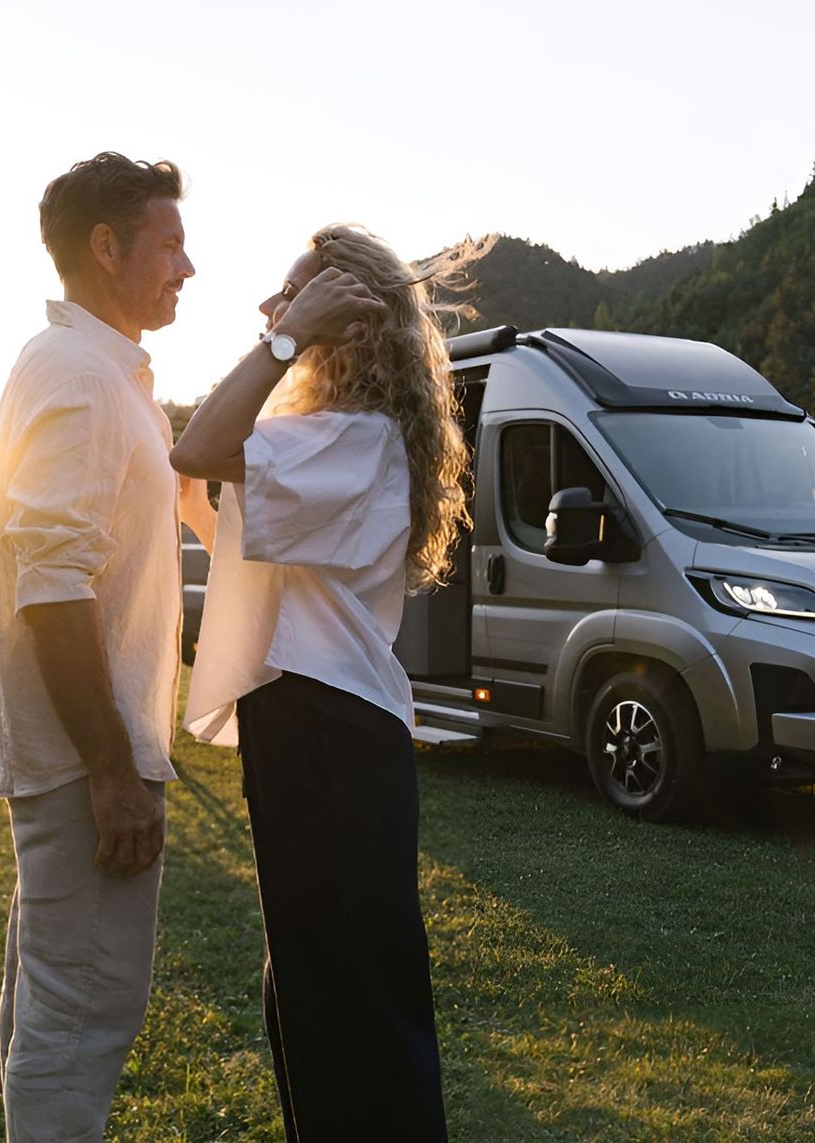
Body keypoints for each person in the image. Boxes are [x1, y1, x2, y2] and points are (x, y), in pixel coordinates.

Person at [170, 225, 479, 1141]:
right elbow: (221, 505)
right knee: (313, 988)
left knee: (349, 1002)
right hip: (312, 723)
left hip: (328, 727)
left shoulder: (358, 440)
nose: (278, 307)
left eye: (300, 294)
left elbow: (200, 449)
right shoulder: (326, 438)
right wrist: (286, 338)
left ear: (346, 317)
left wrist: (281, 339)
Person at [0, 151, 209, 1142]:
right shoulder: (74, 373)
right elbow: (53, 582)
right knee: (80, 1019)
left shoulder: (106, 374)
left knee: (59, 1010)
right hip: (87, 768)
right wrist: (111, 769)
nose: (187, 266)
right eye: (170, 243)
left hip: (87, 763)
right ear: (107, 247)